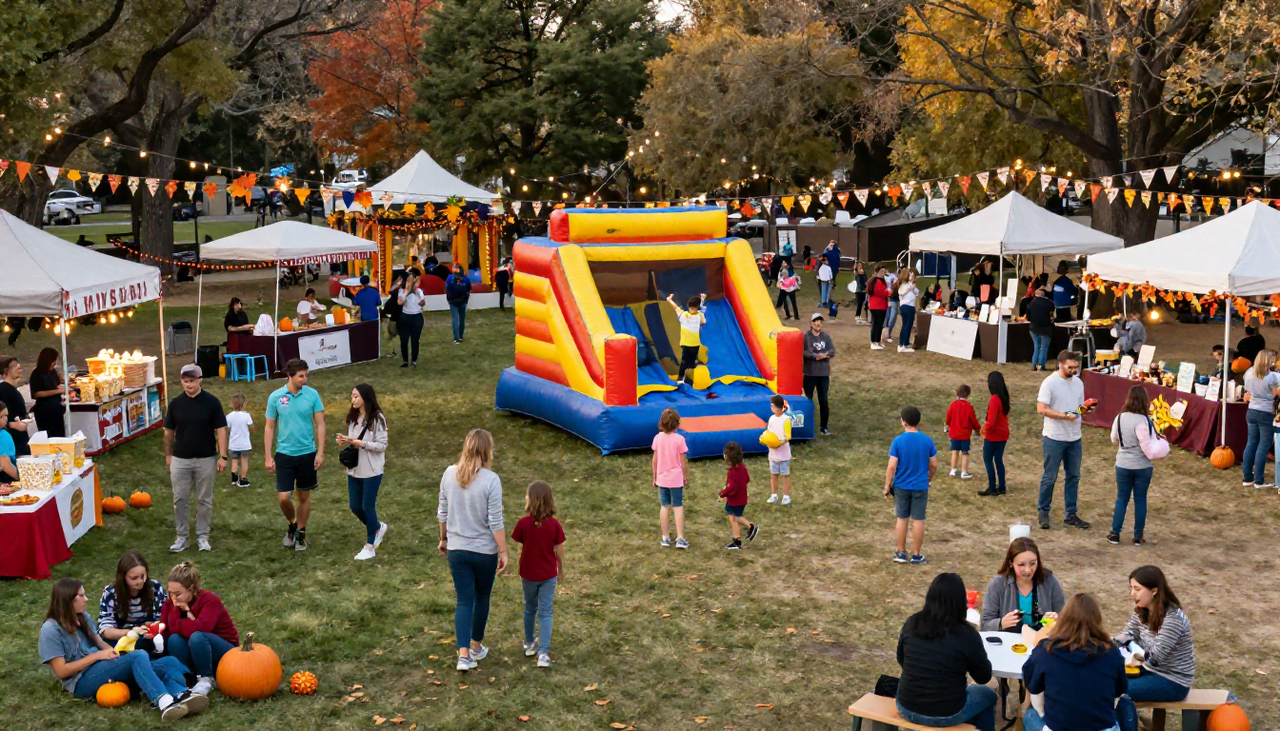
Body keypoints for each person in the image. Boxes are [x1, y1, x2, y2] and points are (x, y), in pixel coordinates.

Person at [40, 578, 199, 721]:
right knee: (138, 657)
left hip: (100, 667)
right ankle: (164, 702)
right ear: (68, 600)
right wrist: (97, 657)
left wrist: (117, 657)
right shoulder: (50, 630)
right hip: (81, 681)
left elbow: (101, 643)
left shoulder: (83, 617)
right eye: (81, 596)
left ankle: (183, 695)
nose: (86, 599)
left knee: (167, 662)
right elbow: (61, 671)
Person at [437, 428, 508, 672]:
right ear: (487, 451)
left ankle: (463, 655)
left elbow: (442, 511)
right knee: (482, 597)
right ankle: (476, 646)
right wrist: (504, 550)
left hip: (457, 549)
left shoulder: (449, 474)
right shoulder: (491, 480)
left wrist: (443, 538)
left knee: (464, 600)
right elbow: (495, 520)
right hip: (484, 551)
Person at [895, 573, 996, 730]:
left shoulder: (912, 623)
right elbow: (983, 677)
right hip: (948, 712)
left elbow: (902, 660)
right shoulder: (967, 634)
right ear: (961, 602)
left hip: (906, 706)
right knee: (987, 695)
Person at [1021, 593, 1128, 731]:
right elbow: (1120, 689)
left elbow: (1032, 684)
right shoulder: (1110, 651)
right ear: (1097, 621)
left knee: (1030, 714)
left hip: (1059, 727)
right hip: (1101, 727)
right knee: (1126, 707)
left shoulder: (1047, 650)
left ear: (1064, 619)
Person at [163, 364, 228, 553]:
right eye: (185, 381)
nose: (188, 385)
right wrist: (168, 455)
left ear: (200, 380)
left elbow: (221, 430)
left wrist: (222, 455)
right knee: (180, 499)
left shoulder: (212, 402)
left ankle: (203, 536)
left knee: (204, 499)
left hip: (205, 458)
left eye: (191, 381)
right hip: (180, 459)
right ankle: (181, 537)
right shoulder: (175, 404)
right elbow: (168, 431)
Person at [265, 359, 326, 552]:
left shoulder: (312, 395)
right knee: (284, 497)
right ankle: (292, 523)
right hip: (284, 454)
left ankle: (301, 532)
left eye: (306, 375)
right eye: (301, 375)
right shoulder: (276, 397)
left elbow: (321, 424)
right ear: (289, 376)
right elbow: (269, 426)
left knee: (303, 496)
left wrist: (321, 452)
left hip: (307, 453)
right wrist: (268, 456)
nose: (305, 379)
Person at [1114, 566, 1195, 707]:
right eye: (1131, 588)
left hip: (1173, 681)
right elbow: (1127, 634)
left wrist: (1126, 652)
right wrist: (1106, 647)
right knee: (1101, 678)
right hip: (1147, 670)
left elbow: (1154, 658)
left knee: (1115, 688)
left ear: (1154, 591)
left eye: (1137, 589)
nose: (1132, 593)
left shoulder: (1173, 619)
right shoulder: (1141, 610)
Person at [161, 561, 239, 696]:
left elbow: (200, 628)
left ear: (191, 589)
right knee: (174, 639)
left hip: (224, 653)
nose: (173, 598)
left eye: (178, 594)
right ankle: (187, 678)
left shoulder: (209, 600)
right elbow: (168, 631)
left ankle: (206, 677)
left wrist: (183, 614)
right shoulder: (170, 604)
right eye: (170, 593)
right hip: (196, 652)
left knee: (197, 636)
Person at [511, 480, 565, 668]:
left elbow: (518, 543)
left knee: (529, 607)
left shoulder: (523, 524)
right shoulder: (555, 525)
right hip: (548, 574)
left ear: (530, 500)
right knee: (546, 611)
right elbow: (559, 549)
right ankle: (543, 652)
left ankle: (528, 643)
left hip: (528, 573)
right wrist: (561, 568)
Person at [1037, 350, 1090, 530]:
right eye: (1071, 367)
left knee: (1073, 476)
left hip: (1074, 438)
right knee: (1050, 476)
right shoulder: (1050, 383)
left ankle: (1071, 513)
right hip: (1054, 437)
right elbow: (1041, 409)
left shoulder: (1079, 383)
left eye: (1076, 367)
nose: (1074, 370)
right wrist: (1063, 416)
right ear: (1060, 364)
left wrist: (1086, 410)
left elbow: (1079, 408)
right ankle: (1043, 511)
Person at [339, 383, 388, 561]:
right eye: (352, 395)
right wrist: (346, 441)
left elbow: (382, 445)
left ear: (366, 398)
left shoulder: (377, 419)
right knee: (355, 506)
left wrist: (362, 444)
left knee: (368, 506)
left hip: (372, 469)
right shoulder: (353, 418)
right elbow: (354, 439)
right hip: (355, 469)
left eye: (356, 396)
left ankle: (370, 545)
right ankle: (377, 527)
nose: (352, 399)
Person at [884, 405, 938, 564]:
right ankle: (916, 555)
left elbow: (892, 466)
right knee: (918, 520)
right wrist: (929, 478)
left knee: (902, 518)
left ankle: (901, 553)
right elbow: (934, 464)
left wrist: (888, 485)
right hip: (920, 486)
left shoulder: (898, 441)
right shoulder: (927, 440)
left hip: (901, 486)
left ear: (903, 421)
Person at [980, 537, 1066, 631]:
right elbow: (985, 624)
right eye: (1021, 565)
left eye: (1033, 564)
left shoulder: (1049, 581)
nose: (1028, 570)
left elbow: (1064, 616)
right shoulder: (997, 584)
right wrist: (1001, 624)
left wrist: (1055, 620)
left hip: (1041, 640)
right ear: (1011, 563)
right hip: (1009, 641)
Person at [1109, 386, 1158, 546]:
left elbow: (1114, 438)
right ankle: (1138, 536)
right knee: (1140, 500)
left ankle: (1115, 533)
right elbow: (1150, 443)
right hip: (1143, 465)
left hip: (1123, 463)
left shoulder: (1120, 418)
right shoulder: (1146, 421)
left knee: (1121, 498)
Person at [97, 550, 167, 654]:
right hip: (123, 638)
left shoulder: (155, 588)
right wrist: (131, 632)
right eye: (134, 578)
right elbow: (105, 629)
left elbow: (163, 617)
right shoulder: (111, 592)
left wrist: (150, 629)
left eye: (143, 576)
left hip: (151, 636)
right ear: (123, 577)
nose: (140, 581)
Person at [651, 408, 690, 548]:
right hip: (676, 479)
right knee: (678, 506)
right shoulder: (679, 440)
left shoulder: (657, 438)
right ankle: (680, 538)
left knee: (665, 505)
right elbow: (683, 462)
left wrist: (654, 477)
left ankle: (665, 537)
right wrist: (685, 477)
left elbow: (655, 460)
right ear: (677, 424)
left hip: (662, 478)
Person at [1242, 349, 1280, 488]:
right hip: (1265, 412)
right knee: (1263, 446)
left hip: (1251, 410)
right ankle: (1259, 480)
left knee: (1251, 443)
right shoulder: (1272, 377)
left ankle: (1247, 477)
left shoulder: (1249, 373)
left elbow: (1247, 389)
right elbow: (1276, 392)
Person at [719, 441, 758, 550]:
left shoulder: (733, 472)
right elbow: (747, 479)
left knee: (734, 518)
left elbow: (732, 487)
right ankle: (747, 530)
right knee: (735, 516)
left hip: (734, 500)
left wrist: (723, 493)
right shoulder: (742, 468)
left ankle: (741, 536)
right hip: (742, 498)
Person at [977, 371, 1011, 497]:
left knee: (987, 459)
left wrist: (983, 429)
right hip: (1003, 434)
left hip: (993, 435)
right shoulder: (1004, 397)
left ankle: (992, 486)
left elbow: (991, 421)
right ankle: (1001, 486)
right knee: (998, 459)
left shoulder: (994, 399)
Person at [802, 313, 835, 436]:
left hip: (823, 374)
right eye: (815, 321)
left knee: (823, 400)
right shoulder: (806, 336)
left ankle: (824, 427)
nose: (818, 323)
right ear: (811, 323)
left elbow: (832, 351)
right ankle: (807, 426)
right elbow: (805, 351)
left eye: (820, 321)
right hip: (809, 373)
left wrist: (824, 355)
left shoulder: (826, 337)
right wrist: (815, 356)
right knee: (808, 400)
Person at [667, 293, 707, 385]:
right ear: (697, 306)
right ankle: (688, 378)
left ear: (688, 305)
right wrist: (702, 302)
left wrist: (669, 300)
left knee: (684, 361)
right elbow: (703, 321)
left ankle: (681, 379)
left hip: (685, 343)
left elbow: (676, 307)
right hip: (695, 343)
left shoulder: (683, 315)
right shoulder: (699, 316)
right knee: (692, 362)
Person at [944, 384, 981, 479]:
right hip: (965, 434)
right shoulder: (969, 407)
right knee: (965, 452)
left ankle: (953, 470)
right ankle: (964, 471)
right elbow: (973, 420)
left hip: (954, 433)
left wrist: (948, 425)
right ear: (968, 394)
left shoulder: (953, 405)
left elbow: (948, 418)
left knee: (955, 451)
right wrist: (977, 428)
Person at [30, 347, 66, 438]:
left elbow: (56, 385)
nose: (55, 363)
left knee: (59, 434)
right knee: (49, 435)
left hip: (56, 408)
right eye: (54, 360)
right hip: (44, 410)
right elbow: (36, 394)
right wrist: (57, 391)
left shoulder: (53, 372)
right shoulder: (36, 374)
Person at [764, 394, 794, 505]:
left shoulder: (786, 419)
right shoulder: (771, 419)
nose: (771, 408)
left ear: (779, 407)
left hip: (783, 453)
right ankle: (774, 495)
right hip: (773, 453)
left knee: (785, 475)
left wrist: (780, 442)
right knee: (774, 474)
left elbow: (788, 435)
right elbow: (769, 432)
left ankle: (786, 496)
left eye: (773, 406)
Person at [0, 355, 31, 457]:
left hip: (21, 439)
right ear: (6, 371)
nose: (19, 367)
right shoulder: (3, 389)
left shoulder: (13, 389)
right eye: (15, 366)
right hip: (13, 441)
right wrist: (13, 425)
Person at [396, 269, 426, 366]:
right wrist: (406, 292)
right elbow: (399, 302)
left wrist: (416, 292)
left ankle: (414, 360)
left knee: (415, 340)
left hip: (417, 317)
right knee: (404, 340)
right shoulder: (401, 291)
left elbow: (422, 303)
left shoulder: (419, 291)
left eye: (411, 281)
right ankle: (405, 360)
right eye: (408, 281)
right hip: (405, 317)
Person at [226, 392, 253, 487]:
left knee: (234, 460)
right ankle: (243, 478)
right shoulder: (246, 416)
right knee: (244, 460)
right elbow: (251, 427)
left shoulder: (229, 416)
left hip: (234, 443)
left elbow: (227, 429)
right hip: (244, 443)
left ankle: (234, 478)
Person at [1026, 288, 1056, 371]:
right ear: (1044, 295)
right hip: (1046, 328)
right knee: (1043, 348)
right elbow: (1053, 316)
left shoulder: (1031, 303)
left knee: (1036, 347)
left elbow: (1028, 317)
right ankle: (1041, 365)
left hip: (1033, 328)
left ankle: (1034, 365)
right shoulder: (1049, 303)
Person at [446, 263, 473, 344]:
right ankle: (461, 336)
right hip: (463, 300)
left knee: (455, 318)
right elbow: (469, 288)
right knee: (462, 319)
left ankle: (456, 338)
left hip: (452, 301)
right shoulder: (465, 278)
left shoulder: (450, 277)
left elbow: (447, 287)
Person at [867, 266, 891, 349]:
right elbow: (880, 292)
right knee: (877, 324)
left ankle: (876, 341)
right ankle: (874, 341)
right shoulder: (877, 281)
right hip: (878, 305)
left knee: (878, 324)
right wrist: (887, 292)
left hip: (876, 304)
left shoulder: (874, 281)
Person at [897, 270, 919, 352]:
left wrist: (912, 288)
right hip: (907, 306)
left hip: (909, 306)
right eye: (911, 276)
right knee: (907, 325)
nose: (913, 278)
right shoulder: (904, 286)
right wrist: (910, 289)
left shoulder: (911, 285)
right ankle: (904, 344)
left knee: (906, 325)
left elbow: (917, 292)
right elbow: (901, 293)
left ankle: (903, 343)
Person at [0, 403, 18, 489]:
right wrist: (20, 478)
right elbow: (5, 464)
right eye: (2, 416)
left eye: (6, 415)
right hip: (6, 478)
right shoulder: (2, 436)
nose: (6, 419)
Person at [884, 267, 903, 341]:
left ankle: (888, 333)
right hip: (889, 299)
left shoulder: (898, 282)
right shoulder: (890, 279)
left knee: (892, 318)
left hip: (895, 300)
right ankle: (885, 334)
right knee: (887, 317)